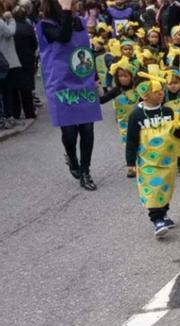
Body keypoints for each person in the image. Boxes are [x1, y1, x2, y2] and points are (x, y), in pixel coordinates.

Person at [125, 67, 180, 237]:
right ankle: (157, 220)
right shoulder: (136, 115)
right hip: (148, 162)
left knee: (165, 189)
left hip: (168, 160)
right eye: (156, 92)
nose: (161, 94)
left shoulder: (168, 112)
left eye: (161, 91)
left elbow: (179, 131)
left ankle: (163, 214)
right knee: (153, 191)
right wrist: (130, 163)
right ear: (145, 95)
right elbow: (132, 140)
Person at [36, 0, 103, 190]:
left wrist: (95, 77)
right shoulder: (45, 26)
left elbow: (86, 52)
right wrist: (65, 11)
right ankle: (72, 159)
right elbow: (63, 37)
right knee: (70, 132)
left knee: (87, 129)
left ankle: (85, 172)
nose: (75, 4)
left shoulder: (80, 22)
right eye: (70, 2)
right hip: (61, 85)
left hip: (83, 81)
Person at [102, 56, 139, 177]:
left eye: (126, 76)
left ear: (132, 76)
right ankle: (131, 167)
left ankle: (142, 164)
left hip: (140, 121)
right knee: (129, 144)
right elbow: (102, 100)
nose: (123, 78)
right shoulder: (116, 91)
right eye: (120, 76)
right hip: (124, 123)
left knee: (141, 143)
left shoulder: (138, 89)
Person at [8, 6, 37, 120]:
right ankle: (29, 112)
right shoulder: (29, 27)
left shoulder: (12, 28)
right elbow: (34, 44)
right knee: (27, 87)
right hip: (27, 59)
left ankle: (16, 113)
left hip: (14, 59)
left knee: (15, 87)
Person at [1, 6, 22, 128]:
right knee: (7, 90)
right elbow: (11, 32)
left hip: (3, 59)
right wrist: (11, 19)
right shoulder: (1, 23)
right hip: (5, 61)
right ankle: (9, 116)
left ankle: (7, 116)